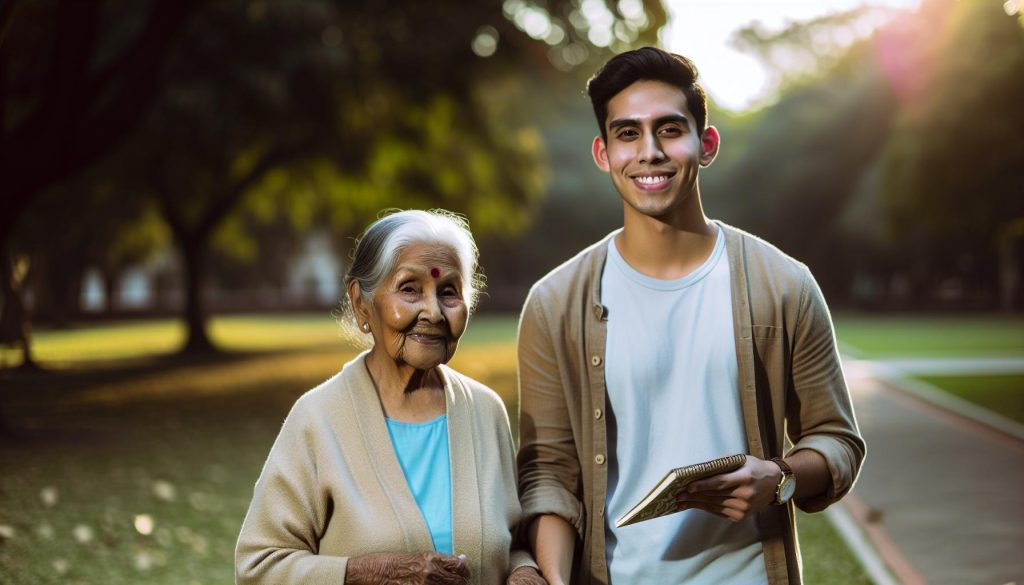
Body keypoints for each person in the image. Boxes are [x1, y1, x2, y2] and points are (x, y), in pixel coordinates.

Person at [516, 47, 865, 585]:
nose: (649, 152)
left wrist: (779, 478)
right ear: (603, 153)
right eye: (627, 133)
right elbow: (549, 475)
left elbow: (837, 440)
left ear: (706, 144)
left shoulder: (784, 285)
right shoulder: (554, 303)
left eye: (670, 129)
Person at [237, 209, 546, 585]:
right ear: (361, 303)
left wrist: (524, 570)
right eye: (410, 289)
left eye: (448, 292)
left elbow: (508, 541)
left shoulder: (485, 412)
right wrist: (369, 572)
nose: (433, 312)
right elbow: (258, 567)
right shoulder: (318, 419)